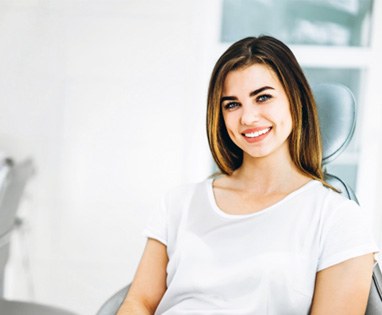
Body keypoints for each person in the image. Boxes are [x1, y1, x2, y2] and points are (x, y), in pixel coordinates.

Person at [117, 36, 379, 314]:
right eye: (232, 104)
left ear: (295, 99)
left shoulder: (338, 219)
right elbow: (139, 303)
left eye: (263, 97)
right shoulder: (179, 204)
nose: (248, 118)